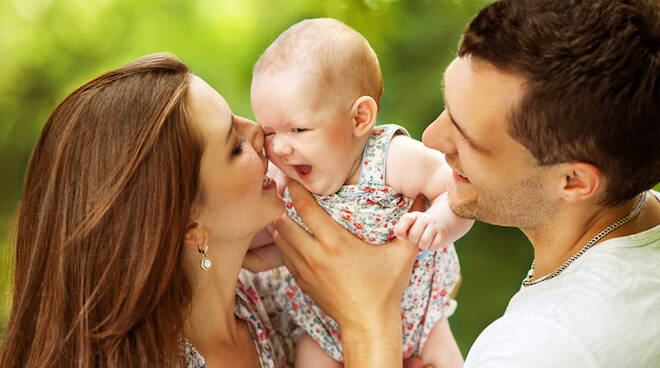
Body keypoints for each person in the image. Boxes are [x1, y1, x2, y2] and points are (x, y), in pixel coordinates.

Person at [272, 0, 660, 367]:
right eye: (447, 108)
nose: (429, 137)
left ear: (574, 181)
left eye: (468, 137)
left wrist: (368, 325)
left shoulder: (540, 349)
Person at [0, 53, 299, 367]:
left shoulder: (283, 294)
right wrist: (355, 322)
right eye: (235, 146)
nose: (258, 131)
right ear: (187, 226)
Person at [250, 18, 472, 368]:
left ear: (359, 118)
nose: (280, 147)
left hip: (420, 326)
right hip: (323, 329)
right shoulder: (286, 179)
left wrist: (438, 223)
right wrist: (247, 246)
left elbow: (458, 191)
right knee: (307, 353)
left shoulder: (390, 158)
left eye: (298, 128)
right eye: (268, 132)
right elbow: (277, 241)